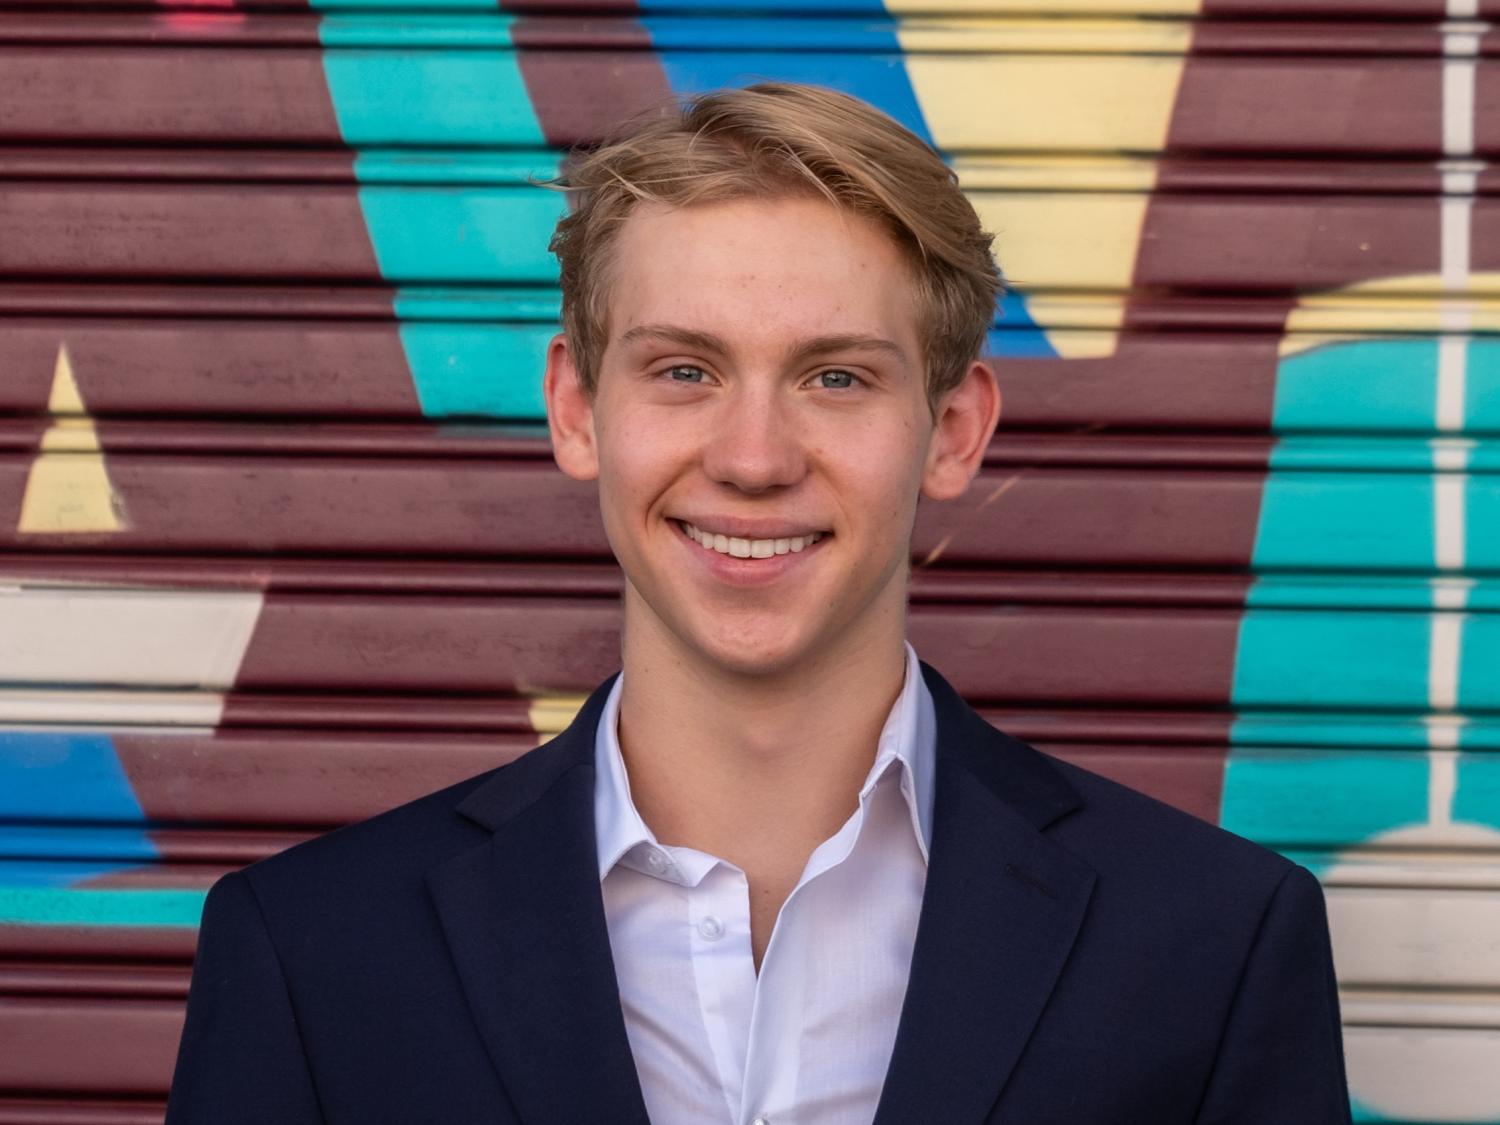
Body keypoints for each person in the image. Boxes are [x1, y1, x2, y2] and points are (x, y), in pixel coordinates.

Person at [164, 82, 1352, 1125]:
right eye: (684, 370)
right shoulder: (313, 953)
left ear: (953, 431)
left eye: (835, 376)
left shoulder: (1215, 944)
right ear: (578, 411)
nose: (752, 455)